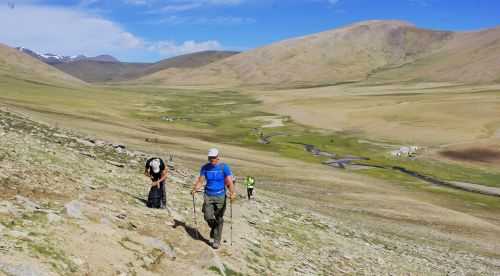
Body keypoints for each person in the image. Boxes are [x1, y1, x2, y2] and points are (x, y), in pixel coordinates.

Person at [192, 148, 236, 249]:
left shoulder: (224, 167)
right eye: (210, 157)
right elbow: (201, 180)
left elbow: (229, 181)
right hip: (208, 194)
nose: (212, 159)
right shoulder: (205, 168)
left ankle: (217, 240)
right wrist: (195, 188)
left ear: (218, 158)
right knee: (208, 216)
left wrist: (232, 192)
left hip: (220, 195)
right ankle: (214, 229)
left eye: (214, 157)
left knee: (219, 218)